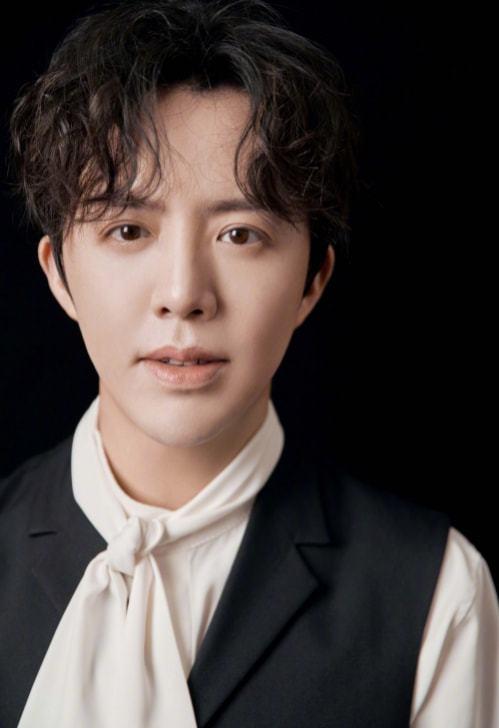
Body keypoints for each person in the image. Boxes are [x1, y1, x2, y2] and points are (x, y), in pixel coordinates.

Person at [1, 0, 497, 726]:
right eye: (128, 229)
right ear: (58, 273)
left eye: (240, 234)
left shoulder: (436, 590)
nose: (183, 295)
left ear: (313, 279)